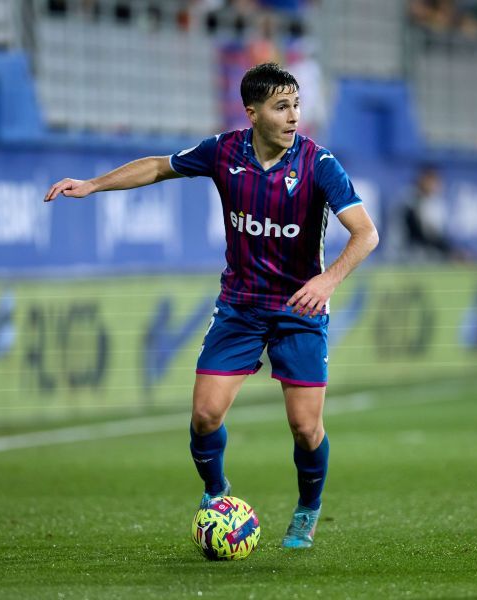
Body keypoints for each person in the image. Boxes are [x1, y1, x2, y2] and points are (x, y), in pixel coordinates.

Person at [44, 62, 379, 549]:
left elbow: (366, 233)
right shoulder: (224, 152)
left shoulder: (318, 164)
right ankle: (217, 492)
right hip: (241, 307)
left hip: (300, 308)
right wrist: (93, 184)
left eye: (297, 106)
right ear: (253, 113)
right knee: (204, 416)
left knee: (306, 428)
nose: (293, 117)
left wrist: (328, 281)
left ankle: (308, 508)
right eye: (281, 107)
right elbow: (159, 166)